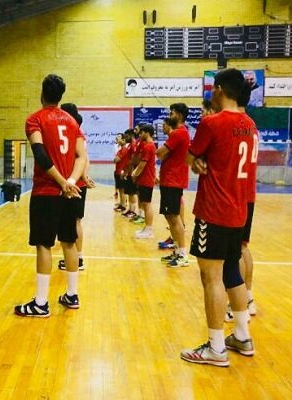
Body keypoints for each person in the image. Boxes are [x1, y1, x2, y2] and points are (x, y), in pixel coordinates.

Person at [180, 68, 257, 367]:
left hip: (213, 211)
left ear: (221, 89)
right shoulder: (250, 125)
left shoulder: (212, 122)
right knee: (231, 273)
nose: (211, 92)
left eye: (213, 88)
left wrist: (197, 161)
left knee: (210, 277)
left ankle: (215, 348)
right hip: (239, 211)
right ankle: (241, 335)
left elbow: (190, 157)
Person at [14, 74, 87, 317]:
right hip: (69, 192)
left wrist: (61, 182)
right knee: (69, 242)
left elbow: (41, 155)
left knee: (44, 244)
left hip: (47, 190)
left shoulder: (35, 119)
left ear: (42, 93)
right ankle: (72, 294)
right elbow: (81, 157)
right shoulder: (72, 121)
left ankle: (41, 303)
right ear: (61, 95)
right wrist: (72, 182)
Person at [225, 77, 259, 323]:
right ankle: (248, 297)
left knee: (236, 251)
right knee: (243, 247)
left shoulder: (236, 124)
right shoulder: (251, 126)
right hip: (247, 193)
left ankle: (242, 301)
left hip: (237, 193)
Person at [56, 102, 95, 271]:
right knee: (74, 222)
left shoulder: (75, 135)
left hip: (72, 184)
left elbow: (83, 159)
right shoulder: (78, 136)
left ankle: (77, 259)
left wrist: (81, 178)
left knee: (73, 223)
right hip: (76, 182)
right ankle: (76, 258)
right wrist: (85, 177)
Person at [156, 104, 191, 267]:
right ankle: (177, 251)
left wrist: (164, 152)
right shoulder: (179, 134)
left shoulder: (179, 133)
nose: (170, 114)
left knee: (175, 217)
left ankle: (183, 253)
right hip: (169, 179)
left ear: (179, 115)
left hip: (173, 180)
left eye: (172, 112)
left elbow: (160, 153)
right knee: (170, 216)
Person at [131, 124, 156, 239]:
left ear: (147, 133)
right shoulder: (147, 145)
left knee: (147, 204)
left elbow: (142, 164)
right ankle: (146, 228)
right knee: (145, 203)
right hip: (144, 179)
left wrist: (134, 173)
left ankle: (149, 229)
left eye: (141, 133)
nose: (140, 135)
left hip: (147, 179)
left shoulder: (148, 146)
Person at [113, 133, 128, 212]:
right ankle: (121, 204)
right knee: (120, 190)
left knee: (122, 190)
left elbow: (116, 160)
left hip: (121, 172)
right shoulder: (120, 149)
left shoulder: (124, 150)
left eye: (119, 138)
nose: (117, 139)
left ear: (124, 140)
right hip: (118, 171)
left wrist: (115, 159)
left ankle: (123, 206)